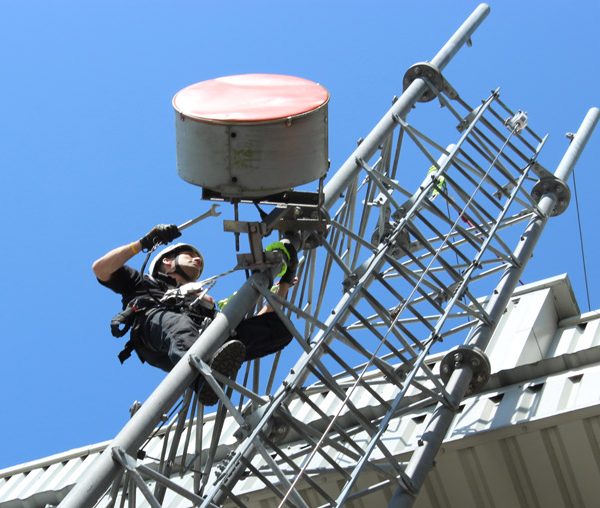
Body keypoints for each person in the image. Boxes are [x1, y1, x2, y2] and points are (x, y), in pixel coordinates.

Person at [92, 224, 297, 405]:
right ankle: (202, 378)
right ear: (167, 262)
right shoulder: (143, 284)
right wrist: (144, 242)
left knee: (278, 327)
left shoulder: (199, 303)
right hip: (157, 331)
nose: (198, 260)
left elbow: (251, 320)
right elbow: (100, 269)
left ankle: (209, 368)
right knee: (180, 324)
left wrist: (284, 285)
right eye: (190, 256)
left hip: (196, 338)